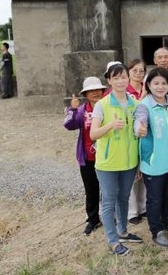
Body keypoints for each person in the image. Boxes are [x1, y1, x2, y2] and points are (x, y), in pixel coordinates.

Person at [90, 62, 142, 256]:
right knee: (109, 201)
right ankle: (112, 240)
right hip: (107, 164)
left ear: (128, 79)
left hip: (129, 162)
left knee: (124, 197)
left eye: (123, 77)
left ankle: (123, 231)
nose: (121, 81)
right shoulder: (102, 105)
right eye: (116, 77)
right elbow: (94, 134)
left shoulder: (135, 104)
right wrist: (110, 125)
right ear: (109, 80)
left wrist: (137, 162)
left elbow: (139, 134)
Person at [134, 67, 168, 248]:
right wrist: (139, 128)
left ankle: (167, 221)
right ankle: (157, 230)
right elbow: (139, 122)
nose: (160, 87)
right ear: (149, 85)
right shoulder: (144, 105)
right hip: (154, 163)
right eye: (156, 83)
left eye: (164, 83)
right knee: (155, 198)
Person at [63, 76, 107, 235]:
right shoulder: (82, 110)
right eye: (91, 91)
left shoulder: (108, 106)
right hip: (88, 157)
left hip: (108, 156)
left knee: (109, 190)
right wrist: (72, 109)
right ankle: (93, 219)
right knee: (91, 190)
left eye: (98, 90)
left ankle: (111, 217)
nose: (96, 93)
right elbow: (69, 125)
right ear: (86, 94)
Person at [126, 59, 147, 224]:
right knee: (133, 175)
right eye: (135, 70)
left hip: (145, 135)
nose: (138, 74)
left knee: (144, 173)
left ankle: (143, 207)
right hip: (130, 136)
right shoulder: (125, 90)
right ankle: (132, 212)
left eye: (141, 71)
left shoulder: (146, 87)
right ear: (129, 72)